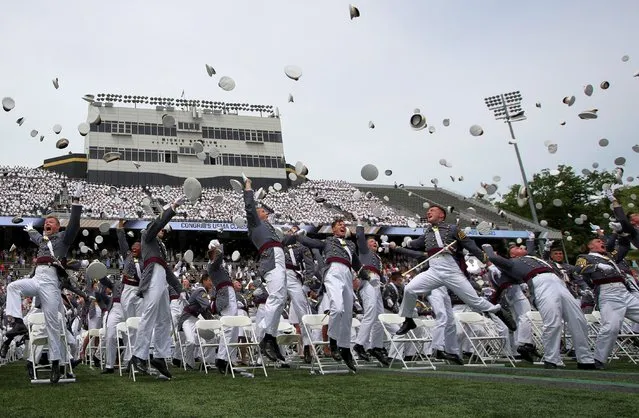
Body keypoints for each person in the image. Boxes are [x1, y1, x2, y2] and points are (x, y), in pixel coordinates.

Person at [2, 186, 83, 383]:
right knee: (13, 287)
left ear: (58, 227)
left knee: (53, 325)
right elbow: (38, 237)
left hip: (51, 282)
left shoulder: (64, 239)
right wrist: (30, 230)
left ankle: (56, 364)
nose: (47, 223)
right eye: (46, 222)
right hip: (37, 277)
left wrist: (76, 203)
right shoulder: (42, 240)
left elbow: (73, 225)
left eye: (51, 222)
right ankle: (19, 323)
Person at [394, 205, 512, 336]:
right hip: (433, 268)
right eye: (428, 211)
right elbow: (416, 244)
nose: (428, 212)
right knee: (409, 289)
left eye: (432, 210)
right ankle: (408, 320)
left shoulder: (453, 229)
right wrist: (402, 244)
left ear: (441, 215)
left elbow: (471, 246)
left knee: (473, 300)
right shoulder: (427, 232)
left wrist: (489, 264)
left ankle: (497, 311)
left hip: (450, 268)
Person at [483, 243, 596, 369]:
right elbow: (493, 258)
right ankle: (552, 359)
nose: (521, 247)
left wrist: (533, 240)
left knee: (578, 320)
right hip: (540, 283)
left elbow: (534, 249)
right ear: (512, 254)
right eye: (517, 248)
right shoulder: (511, 263)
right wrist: (488, 248)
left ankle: (585, 359)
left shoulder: (534, 257)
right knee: (552, 322)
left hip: (559, 282)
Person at [296, 219, 369, 372]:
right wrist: (300, 235)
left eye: (344, 225)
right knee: (337, 308)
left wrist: (367, 276)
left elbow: (356, 263)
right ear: (333, 229)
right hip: (333, 271)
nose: (343, 226)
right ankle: (333, 341)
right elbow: (311, 242)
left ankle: (345, 348)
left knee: (348, 314)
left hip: (348, 274)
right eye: (339, 224)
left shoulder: (350, 244)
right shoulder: (328, 241)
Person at [130, 197, 184, 379]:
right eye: (160, 227)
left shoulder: (160, 246)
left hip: (161, 277)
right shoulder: (147, 234)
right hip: (153, 276)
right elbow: (158, 222)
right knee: (150, 313)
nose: (163, 230)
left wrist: (180, 289)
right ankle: (138, 355)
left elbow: (167, 270)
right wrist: (173, 207)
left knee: (164, 319)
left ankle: (160, 356)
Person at [575, 237, 639, 370]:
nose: (602, 242)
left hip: (624, 291)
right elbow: (579, 268)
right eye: (598, 241)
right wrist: (596, 266)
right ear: (590, 246)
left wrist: (620, 232)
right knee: (611, 327)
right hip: (608, 292)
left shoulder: (610, 257)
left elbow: (624, 247)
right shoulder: (585, 257)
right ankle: (598, 359)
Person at [242, 177, 286, 362]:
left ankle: (270, 337)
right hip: (271, 256)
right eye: (262, 212)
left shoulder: (268, 227)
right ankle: (266, 337)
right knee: (276, 297)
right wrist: (248, 187)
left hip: (278, 255)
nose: (265, 214)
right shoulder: (255, 224)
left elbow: (283, 241)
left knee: (281, 299)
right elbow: (250, 206)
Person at [351, 222, 389, 366]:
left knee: (379, 317)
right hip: (367, 282)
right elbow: (360, 236)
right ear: (365, 245)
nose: (375, 242)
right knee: (371, 312)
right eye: (372, 241)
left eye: (376, 241)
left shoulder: (378, 258)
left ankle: (376, 347)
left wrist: (384, 281)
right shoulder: (364, 252)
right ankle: (359, 344)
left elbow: (380, 275)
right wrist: (359, 224)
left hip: (377, 284)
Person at [281, 226, 315, 364]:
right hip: (279, 276)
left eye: (294, 230)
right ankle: (269, 344)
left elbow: (309, 265)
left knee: (303, 312)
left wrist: (307, 283)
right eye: (289, 230)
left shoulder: (302, 247)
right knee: (272, 310)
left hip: (294, 277)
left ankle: (307, 346)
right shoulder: (279, 243)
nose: (291, 232)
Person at [206, 240, 238, 374]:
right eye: (215, 251)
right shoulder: (212, 265)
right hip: (225, 295)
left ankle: (230, 359)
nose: (218, 252)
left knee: (234, 328)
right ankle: (221, 359)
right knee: (229, 328)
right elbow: (220, 256)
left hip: (229, 292)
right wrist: (219, 245)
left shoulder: (218, 266)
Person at [178, 272, 213, 371]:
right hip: (187, 319)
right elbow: (207, 306)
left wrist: (212, 321)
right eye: (210, 280)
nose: (211, 283)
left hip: (196, 321)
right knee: (191, 341)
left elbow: (205, 311)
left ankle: (206, 362)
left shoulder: (203, 292)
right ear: (204, 280)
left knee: (212, 338)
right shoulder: (201, 291)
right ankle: (189, 363)